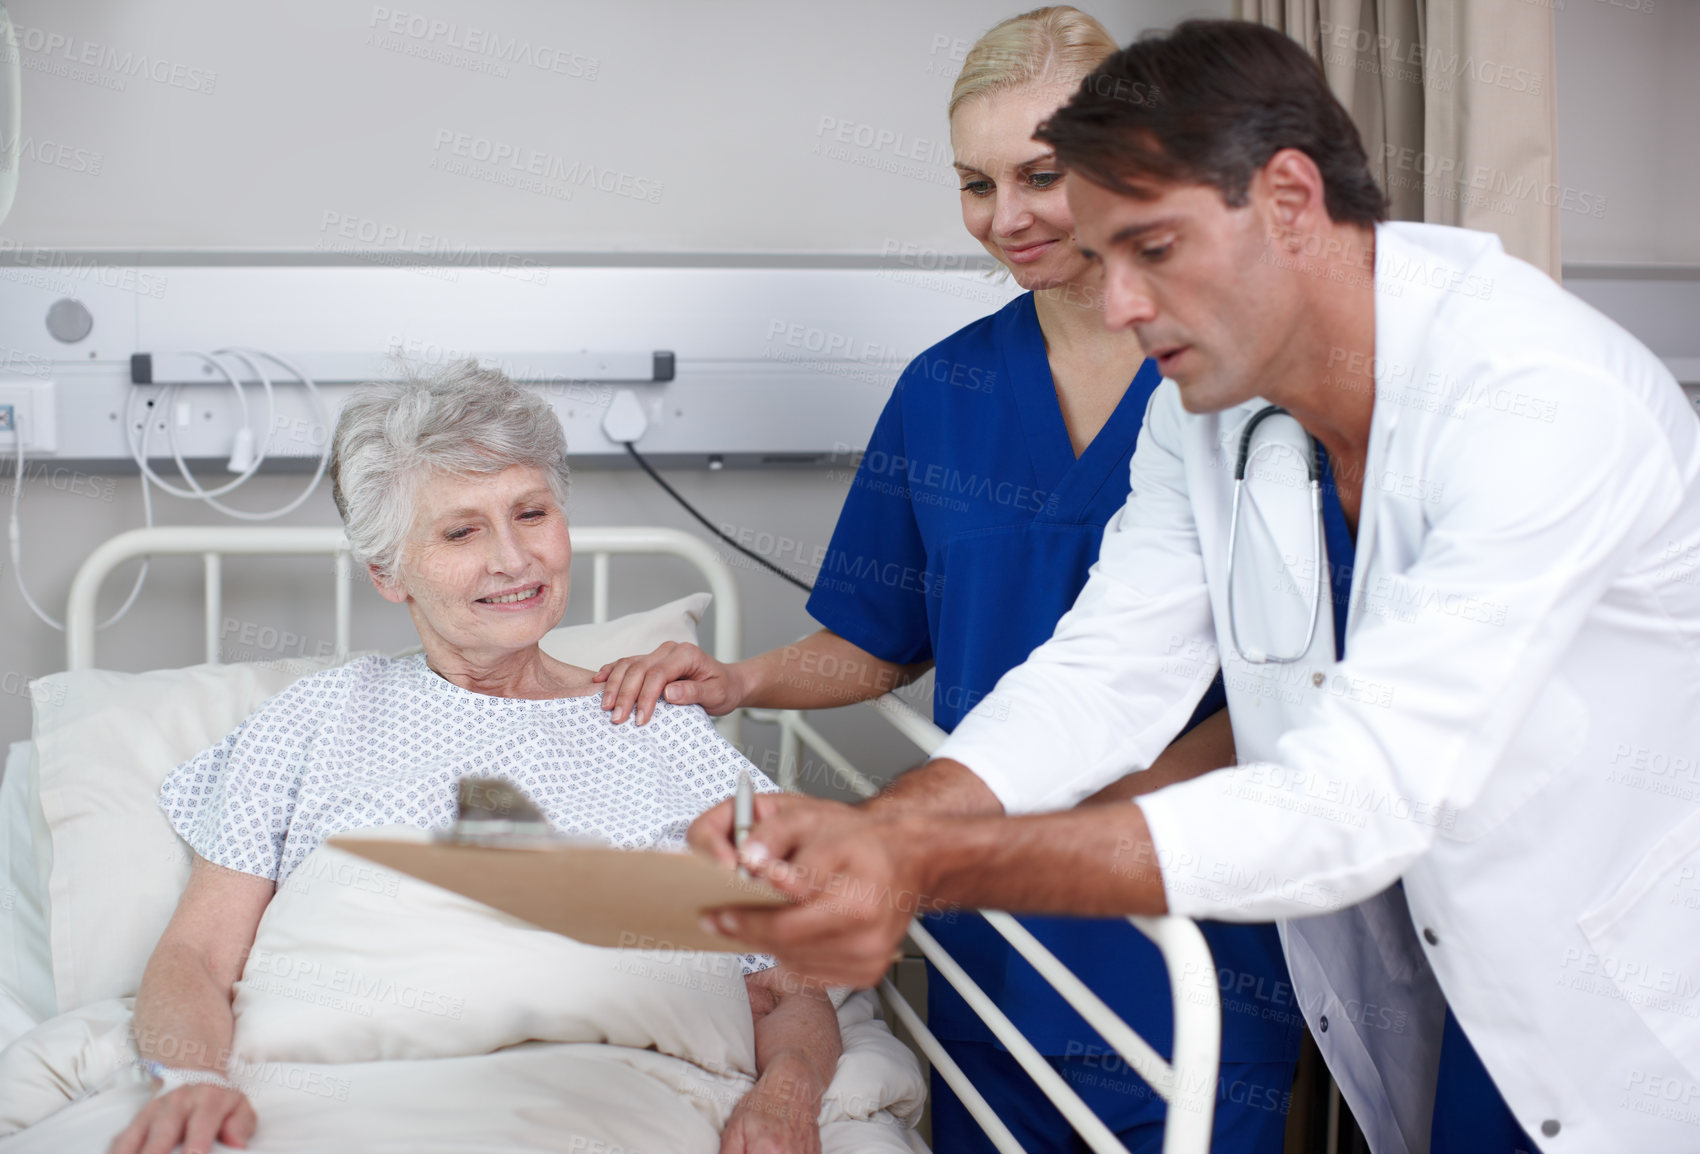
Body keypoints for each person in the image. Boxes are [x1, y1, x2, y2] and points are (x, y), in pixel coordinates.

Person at [690, 19, 1700, 1154]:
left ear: (1286, 198)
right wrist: (876, 826)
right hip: (1426, 958)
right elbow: (1104, 667)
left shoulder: (1538, 399)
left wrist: (923, 860)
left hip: (1603, 988)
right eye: (1104, 253)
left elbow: (1354, 792)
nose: (1117, 304)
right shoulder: (1206, 406)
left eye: (1152, 249)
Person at [596, 9, 1300, 1151]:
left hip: (1179, 912)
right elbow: (884, 635)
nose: (1006, 217)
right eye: (976, 183)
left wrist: (1088, 820)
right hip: (986, 931)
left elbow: (1294, 673)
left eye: (1041, 173)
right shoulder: (945, 390)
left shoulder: (1233, 387)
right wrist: (737, 678)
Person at [109, 364, 840, 1154]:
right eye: (461, 531)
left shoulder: (657, 727)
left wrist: (786, 1098)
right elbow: (195, 954)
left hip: (610, 1102)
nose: (514, 558)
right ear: (387, 574)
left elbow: (782, 984)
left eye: (531, 513)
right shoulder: (313, 721)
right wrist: (191, 1083)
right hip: (332, 1098)